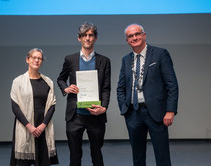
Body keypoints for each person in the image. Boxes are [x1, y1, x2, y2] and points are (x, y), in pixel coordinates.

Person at [117, 24, 179, 166]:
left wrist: (170, 110)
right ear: (127, 40)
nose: (135, 38)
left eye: (137, 34)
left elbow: (172, 85)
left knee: (162, 156)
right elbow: (120, 87)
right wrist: (124, 108)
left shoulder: (160, 54)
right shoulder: (126, 60)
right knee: (137, 157)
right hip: (133, 113)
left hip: (156, 113)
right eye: (130, 36)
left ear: (144, 35)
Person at [57, 22, 111, 166]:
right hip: (75, 116)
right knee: (75, 156)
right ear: (79, 38)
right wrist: (66, 88)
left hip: (96, 115)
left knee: (97, 155)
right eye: (84, 35)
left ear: (95, 38)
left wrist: (104, 108)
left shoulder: (104, 61)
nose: (87, 38)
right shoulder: (70, 59)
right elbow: (60, 79)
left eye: (90, 35)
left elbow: (106, 88)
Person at [10, 48, 59, 166]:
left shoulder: (48, 82)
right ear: (28, 59)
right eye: (34, 57)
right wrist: (29, 127)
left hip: (42, 128)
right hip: (25, 127)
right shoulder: (18, 82)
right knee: (23, 163)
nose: (36, 60)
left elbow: (52, 105)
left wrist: (43, 125)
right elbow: (15, 107)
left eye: (39, 58)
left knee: (43, 162)